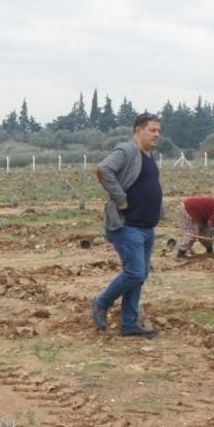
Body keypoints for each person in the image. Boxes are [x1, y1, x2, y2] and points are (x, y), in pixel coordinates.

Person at [92, 113, 163, 338]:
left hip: (145, 227)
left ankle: (130, 324)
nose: (156, 134)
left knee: (139, 275)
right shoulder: (126, 151)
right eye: (152, 130)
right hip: (126, 226)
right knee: (134, 272)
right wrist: (120, 198)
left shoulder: (150, 156)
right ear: (138, 130)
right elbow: (103, 170)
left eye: (158, 131)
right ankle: (101, 303)